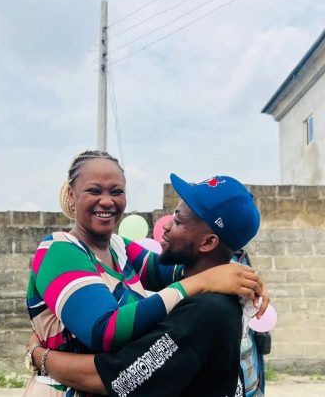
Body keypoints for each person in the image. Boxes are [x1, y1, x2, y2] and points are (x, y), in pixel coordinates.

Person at [24, 151, 266, 396]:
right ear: (71, 196)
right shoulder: (59, 251)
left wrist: (244, 279)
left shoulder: (118, 248)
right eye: (94, 191)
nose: (107, 200)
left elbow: (183, 266)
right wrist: (205, 280)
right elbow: (104, 332)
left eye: (116, 191)